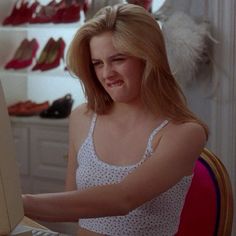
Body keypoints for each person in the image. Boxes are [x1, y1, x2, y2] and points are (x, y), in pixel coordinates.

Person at [23, 3, 208, 236]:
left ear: (148, 57)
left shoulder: (185, 133)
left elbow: (123, 199)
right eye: (97, 63)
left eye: (118, 59)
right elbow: (74, 207)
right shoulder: (82, 117)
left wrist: (18, 202)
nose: (106, 73)